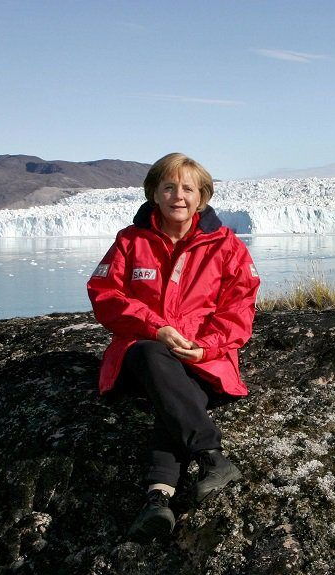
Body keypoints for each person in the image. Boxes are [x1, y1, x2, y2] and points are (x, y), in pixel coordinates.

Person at [87, 152, 260, 541]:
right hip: (143, 356)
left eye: (187, 188)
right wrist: (156, 328)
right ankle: (212, 455)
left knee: (175, 400)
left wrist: (205, 348)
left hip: (203, 360)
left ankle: (158, 498)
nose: (178, 196)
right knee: (153, 355)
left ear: (202, 197)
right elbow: (105, 294)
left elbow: (239, 308)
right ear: (154, 194)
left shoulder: (226, 246)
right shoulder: (131, 242)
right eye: (168, 187)